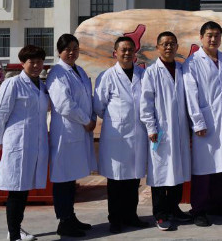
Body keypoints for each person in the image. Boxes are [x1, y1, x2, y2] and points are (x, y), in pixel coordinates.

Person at [183, 21, 222, 227]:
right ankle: (198, 209)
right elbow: (191, 94)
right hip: (204, 124)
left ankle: (217, 204)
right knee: (203, 168)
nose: (213, 39)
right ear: (201, 37)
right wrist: (197, 122)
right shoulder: (192, 62)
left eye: (216, 35)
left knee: (221, 165)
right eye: (209, 35)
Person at [0, 45, 49, 241]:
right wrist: (0, 139)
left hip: (34, 143)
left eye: (39, 62)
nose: (35, 65)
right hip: (17, 142)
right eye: (31, 62)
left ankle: (15, 229)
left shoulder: (41, 85)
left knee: (23, 189)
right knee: (16, 189)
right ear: (23, 63)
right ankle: (14, 234)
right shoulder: (13, 83)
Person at [93, 36, 149, 234]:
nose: (127, 53)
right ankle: (115, 219)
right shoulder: (107, 76)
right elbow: (99, 107)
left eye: (130, 50)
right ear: (115, 53)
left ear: (135, 52)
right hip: (116, 136)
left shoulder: (143, 74)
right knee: (116, 181)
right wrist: (118, 117)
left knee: (133, 179)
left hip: (138, 135)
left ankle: (130, 216)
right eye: (123, 50)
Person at [45, 34, 96, 237]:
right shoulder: (56, 73)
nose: (72, 52)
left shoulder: (79, 70)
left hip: (78, 131)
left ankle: (71, 216)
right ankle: (63, 221)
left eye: (75, 48)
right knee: (62, 179)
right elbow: (64, 104)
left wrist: (90, 116)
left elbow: (87, 97)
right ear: (60, 51)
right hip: (66, 133)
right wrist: (86, 120)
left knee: (70, 178)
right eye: (68, 49)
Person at [141, 31, 192, 231]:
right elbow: (145, 104)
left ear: (177, 46)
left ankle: (174, 208)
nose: (168, 47)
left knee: (177, 171)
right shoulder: (151, 72)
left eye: (172, 44)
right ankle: (161, 214)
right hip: (160, 131)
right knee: (160, 174)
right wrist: (151, 127)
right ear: (158, 47)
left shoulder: (182, 70)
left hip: (179, 130)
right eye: (164, 44)